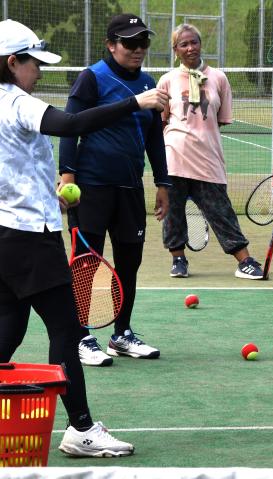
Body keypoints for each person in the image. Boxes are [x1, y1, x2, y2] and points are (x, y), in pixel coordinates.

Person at [0, 18, 167, 456]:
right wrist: (136, 102)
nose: (39, 71)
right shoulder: (16, 102)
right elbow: (71, 125)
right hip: (29, 236)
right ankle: (81, 429)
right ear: (12, 62)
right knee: (66, 328)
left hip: (6, 234)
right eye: (33, 63)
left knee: (10, 326)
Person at [59, 13, 169, 366]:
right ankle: (81, 336)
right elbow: (70, 128)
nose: (138, 49)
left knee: (129, 262)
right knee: (86, 265)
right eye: (130, 43)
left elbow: (154, 139)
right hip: (90, 187)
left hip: (130, 188)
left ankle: (121, 334)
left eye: (143, 43)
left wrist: (163, 182)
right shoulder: (92, 78)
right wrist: (67, 175)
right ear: (111, 44)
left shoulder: (149, 84)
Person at [157, 24, 264, 280]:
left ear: (200, 44)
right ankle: (178, 259)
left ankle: (244, 260)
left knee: (221, 211)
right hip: (174, 157)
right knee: (174, 212)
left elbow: (220, 120)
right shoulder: (167, 80)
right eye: (184, 44)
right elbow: (161, 122)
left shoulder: (219, 78)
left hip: (208, 158)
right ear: (175, 50)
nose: (190, 48)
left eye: (194, 42)